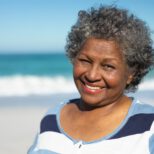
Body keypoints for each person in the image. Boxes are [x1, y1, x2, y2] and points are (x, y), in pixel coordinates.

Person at [28, 5, 154, 154]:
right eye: (85, 61)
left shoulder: (148, 127)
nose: (92, 76)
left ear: (131, 74)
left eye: (108, 66)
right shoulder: (51, 118)